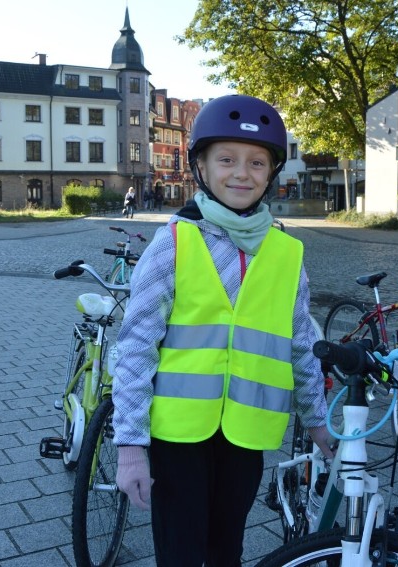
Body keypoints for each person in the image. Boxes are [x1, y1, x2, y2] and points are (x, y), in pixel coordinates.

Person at [112, 94, 333, 567]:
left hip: (246, 439)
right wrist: (130, 446)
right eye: (227, 159)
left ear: (271, 172)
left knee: (226, 552)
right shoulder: (173, 241)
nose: (241, 173)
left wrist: (318, 423)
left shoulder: (286, 253)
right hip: (179, 440)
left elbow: (301, 346)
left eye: (256, 162)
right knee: (181, 556)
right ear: (202, 168)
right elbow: (135, 346)